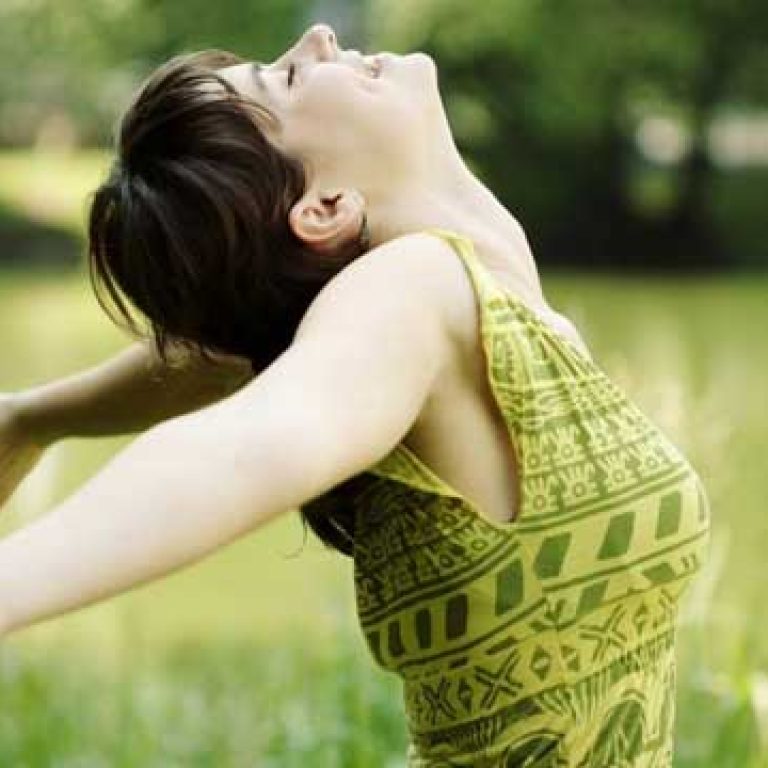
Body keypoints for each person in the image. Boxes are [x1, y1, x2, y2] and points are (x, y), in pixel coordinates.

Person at [0, 21, 711, 767]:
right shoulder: (414, 291)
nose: (318, 37)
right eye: (290, 79)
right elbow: (255, 443)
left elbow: (232, 356)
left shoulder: (475, 308)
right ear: (325, 205)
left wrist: (36, 415)